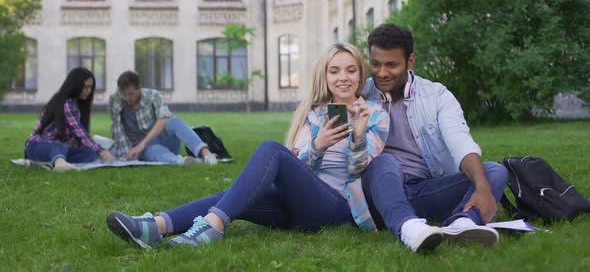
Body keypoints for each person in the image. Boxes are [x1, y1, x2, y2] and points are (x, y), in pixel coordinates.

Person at [105, 43, 389, 249]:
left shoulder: (374, 113)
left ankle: (212, 227)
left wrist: (358, 135)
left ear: (360, 75)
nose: (343, 77)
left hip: (337, 207)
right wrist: (318, 145)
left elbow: (359, 170)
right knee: (237, 193)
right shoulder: (314, 114)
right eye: (335, 70)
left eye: (351, 70)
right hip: (299, 204)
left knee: (270, 149)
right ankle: (156, 227)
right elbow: (299, 166)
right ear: (325, 76)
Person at [360, 23, 509, 252]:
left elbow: (460, 142)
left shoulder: (437, 95)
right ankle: (407, 227)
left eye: (391, 65)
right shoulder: (361, 94)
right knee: (385, 161)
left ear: (410, 61)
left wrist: (481, 185)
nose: (382, 73)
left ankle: (463, 223)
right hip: (381, 190)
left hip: (425, 190)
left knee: (494, 171)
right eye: (376, 64)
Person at [108, 70, 217, 165]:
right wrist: (127, 154)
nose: (127, 98)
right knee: (153, 150)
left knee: (173, 121)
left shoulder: (153, 96)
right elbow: (117, 130)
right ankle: (181, 161)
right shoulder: (115, 100)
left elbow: (164, 118)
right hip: (146, 149)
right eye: (124, 94)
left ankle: (206, 153)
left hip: (162, 140)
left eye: (131, 94)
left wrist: (143, 144)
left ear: (139, 88)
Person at [24, 67, 116, 171]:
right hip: (37, 146)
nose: (89, 91)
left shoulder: (77, 105)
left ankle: (43, 163)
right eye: (86, 87)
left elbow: (79, 139)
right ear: (75, 85)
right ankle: (60, 164)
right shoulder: (66, 103)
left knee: (90, 154)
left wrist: (95, 150)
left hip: (62, 149)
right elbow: (81, 134)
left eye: (91, 87)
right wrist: (102, 152)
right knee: (58, 146)